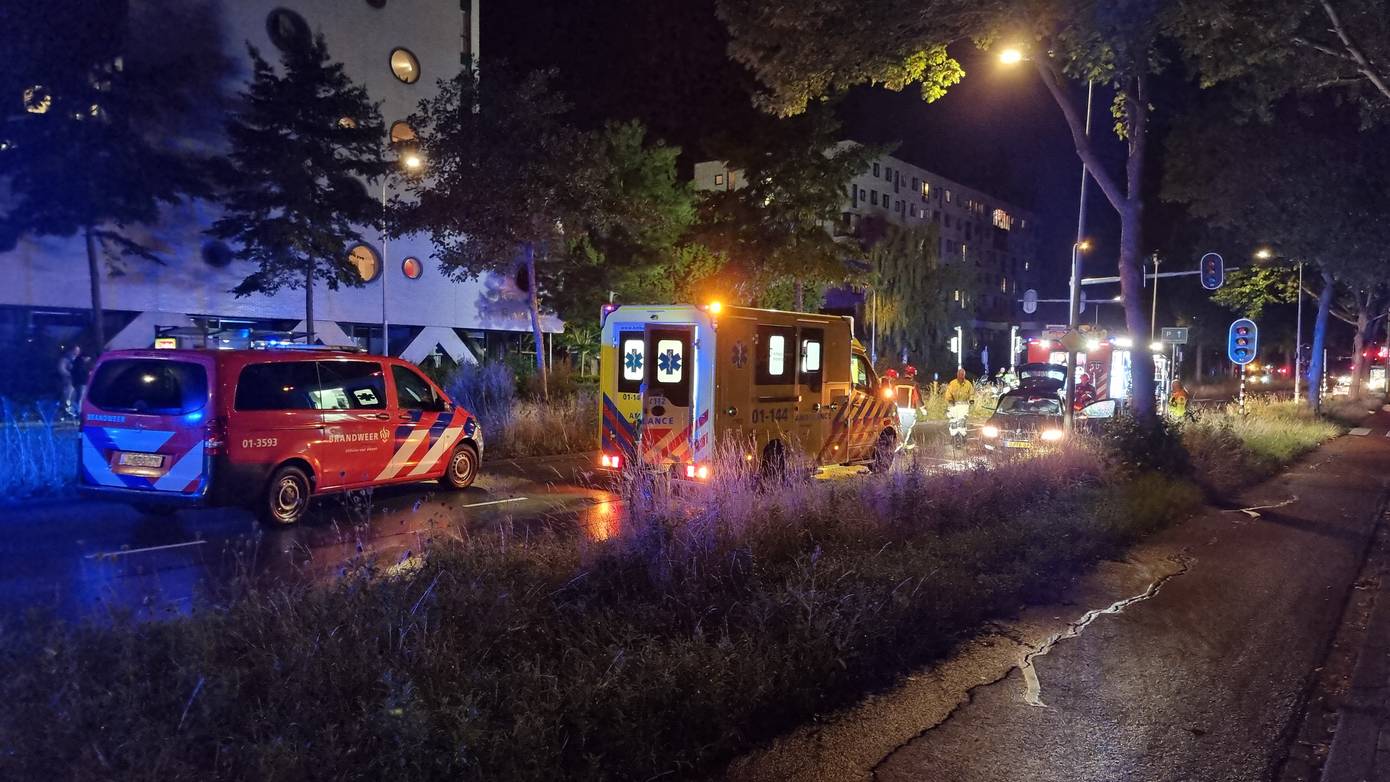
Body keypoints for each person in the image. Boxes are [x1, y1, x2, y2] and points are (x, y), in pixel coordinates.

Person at [58, 344, 81, 416]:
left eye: (78, 350)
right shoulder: (66, 359)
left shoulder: (78, 359)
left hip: (77, 381)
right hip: (68, 381)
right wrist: (69, 374)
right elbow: (61, 368)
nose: (77, 352)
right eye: (76, 350)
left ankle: (72, 411)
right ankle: (65, 411)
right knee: (67, 396)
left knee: (75, 396)